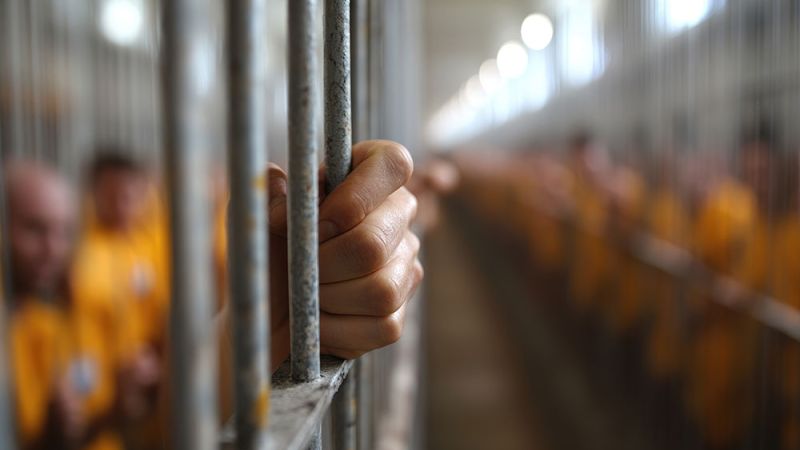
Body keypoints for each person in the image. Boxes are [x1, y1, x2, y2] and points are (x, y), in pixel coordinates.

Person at [5, 161, 122, 450]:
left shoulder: (41, 319)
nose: (53, 249)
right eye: (35, 229)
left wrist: (118, 406)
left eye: (64, 232)